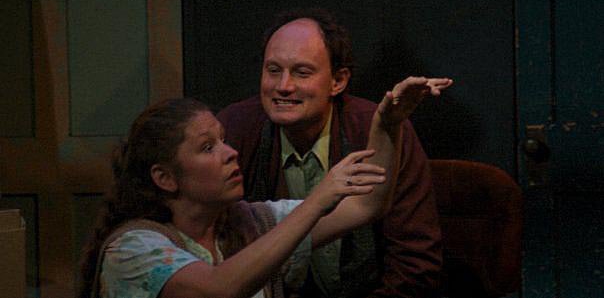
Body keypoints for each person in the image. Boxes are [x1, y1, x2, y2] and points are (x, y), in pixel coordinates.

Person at [78, 75, 447, 298]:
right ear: (165, 177)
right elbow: (218, 289)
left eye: (223, 140)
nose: (230, 153)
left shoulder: (249, 222)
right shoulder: (133, 249)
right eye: (207, 148)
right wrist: (316, 201)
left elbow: (365, 206)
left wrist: (387, 125)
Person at [217, 8, 452, 297]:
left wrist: (388, 127)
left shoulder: (376, 131)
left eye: (302, 73)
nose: (283, 86)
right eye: (273, 70)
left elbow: (415, 260)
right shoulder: (236, 129)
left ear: (337, 81)